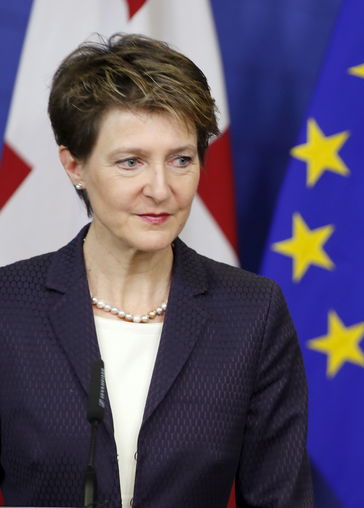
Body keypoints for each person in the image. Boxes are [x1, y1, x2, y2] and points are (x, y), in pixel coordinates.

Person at [0, 34, 312, 507]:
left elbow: (280, 498)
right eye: (132, 162)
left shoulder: (252, 312)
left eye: (181, 160)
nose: (161, 189)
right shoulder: (9, 306)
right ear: (74, 165)